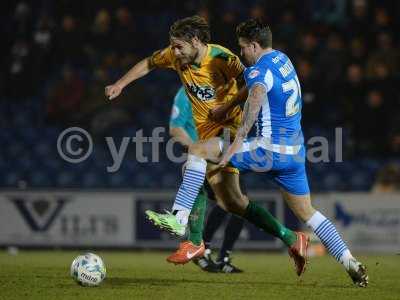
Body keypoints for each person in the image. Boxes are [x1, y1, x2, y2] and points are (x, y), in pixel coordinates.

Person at [147, 18, 369, 287]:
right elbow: (254, 89)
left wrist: (240, 138)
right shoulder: (283, 60)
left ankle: (181, 222)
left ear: (253, 45)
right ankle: (350, 262)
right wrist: (227, 107)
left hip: (266, 149)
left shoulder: (256, 70)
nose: (241, 53)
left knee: (197, 150)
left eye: (243, 48)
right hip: (294, 154)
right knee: (308, 213)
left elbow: (256, 93)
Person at [105, 15, 307, 275]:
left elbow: (253, 84)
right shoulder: (175, 56)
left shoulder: (222, 58)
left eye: (179, 46)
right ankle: (293, 239)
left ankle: (190, 236)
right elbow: (148, 63)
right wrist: (120, 84)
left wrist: (227, 107)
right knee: (234, 203)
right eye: (173, 47)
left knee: (196, 155)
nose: (175, 53)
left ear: (196, 41)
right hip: (208, 131)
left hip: (231, 130)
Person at [169, 87, 244, 273]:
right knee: (236, 203)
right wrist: (195, 149)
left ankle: (209, 251)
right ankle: (204, 249)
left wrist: (226, 151)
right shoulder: (186, 93)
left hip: (218, 157)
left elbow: (227, 127)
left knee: (236, 205)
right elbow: (175, 128)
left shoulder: (222, 91)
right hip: (199, 161)